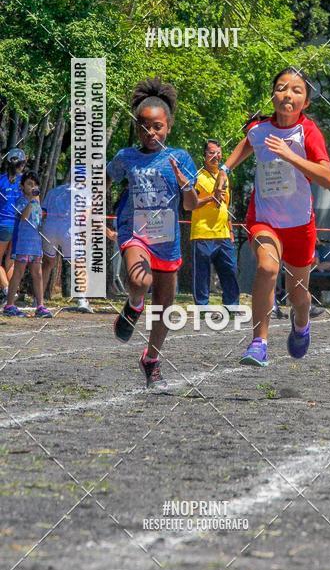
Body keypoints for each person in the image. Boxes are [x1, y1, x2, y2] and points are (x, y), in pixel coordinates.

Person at [214, 68, 330, 367]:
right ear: (273, 95)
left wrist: (289, 154)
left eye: (296, 90)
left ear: (305, 102)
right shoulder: (259, 129)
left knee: (299, 297)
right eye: (282, 88)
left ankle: (301, 323)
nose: (288, 95)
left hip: (299, 225)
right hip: (264, 220)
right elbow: (247, 143)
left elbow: (327, 178)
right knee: (267, 268)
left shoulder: (309, 132)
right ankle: (259, 343)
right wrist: (225, 171)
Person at [107, 78, 198, 391]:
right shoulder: (126, 158)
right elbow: (105, 179)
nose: (151, 133)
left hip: (167, 242)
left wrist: (185, 183)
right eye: (144, 127)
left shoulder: (181, 158)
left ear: (168, 127)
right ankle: (134, 304)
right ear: (137, 129)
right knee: (139, 280)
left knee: (163, 307)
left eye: (157, 127)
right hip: (135, 233)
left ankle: (151, 359)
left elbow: (191, 204)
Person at [189, 139, 239, 311]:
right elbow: (189, 204)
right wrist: (211, 197)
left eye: (218, 153)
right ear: (204, 156)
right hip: (202, 233)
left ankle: (231, 307)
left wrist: (231, 231)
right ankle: (202, 308)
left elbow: (226, 206)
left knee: (230, 272)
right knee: (202, 275)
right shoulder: (197, 176)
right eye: (211, 153)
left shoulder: (224, 176)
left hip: (223, 234)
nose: (215, 156)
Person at [3, 170, 52, 317]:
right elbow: (23, 217)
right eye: (29, 184)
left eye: (35, 184)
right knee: (18, 272)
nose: (32, 186)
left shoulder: (37, 201)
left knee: (37, 274)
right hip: (23, 242)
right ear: (22, 185)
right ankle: (9, 305)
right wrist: (31, 200)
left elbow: (38, 221)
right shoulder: (20, 199)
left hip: (35, 243)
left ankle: (40, 306)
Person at [41, 175, 93, 312]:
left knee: (47, 264)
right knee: (80, 263)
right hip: (69, 230)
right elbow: (85, 217)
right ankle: (82, 299)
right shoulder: (85, 192)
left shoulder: (53, 191)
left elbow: (43, 213)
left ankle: (38, 299)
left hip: (49, 229)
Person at [0, 148, 27, 302]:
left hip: (4, 225)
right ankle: (12, 295)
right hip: (19, 226)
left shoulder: (1, 180)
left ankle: (6, 290)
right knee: (10, 262)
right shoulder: (25, 182)